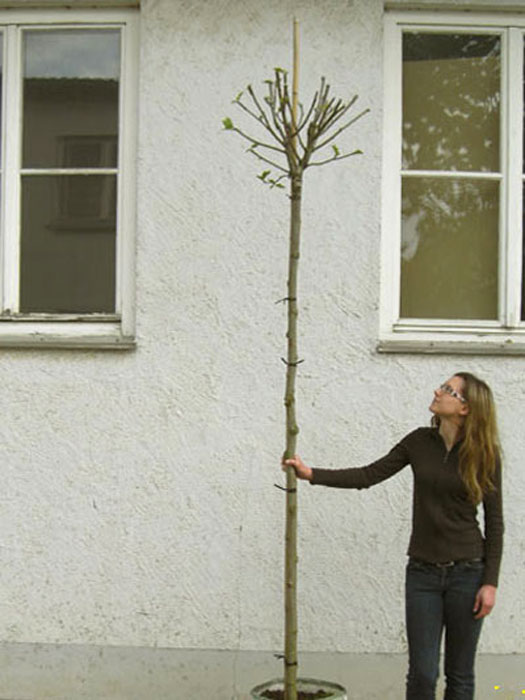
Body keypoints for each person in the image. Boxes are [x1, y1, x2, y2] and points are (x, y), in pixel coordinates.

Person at [283, 372, 503, 700]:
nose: (437, 390)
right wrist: (311, 474)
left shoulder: (485, 454)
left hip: (468, 574)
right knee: (423, 673)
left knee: (460, 674)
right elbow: (369, 475)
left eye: (448, 390)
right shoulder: (418, 442)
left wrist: (490, 582)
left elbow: (495, 523)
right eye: (442, 386)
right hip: (423, 574)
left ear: (466, 409)